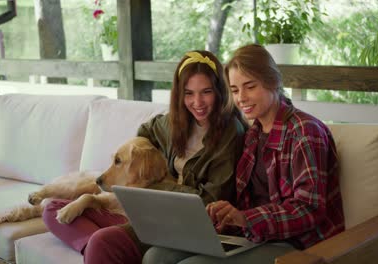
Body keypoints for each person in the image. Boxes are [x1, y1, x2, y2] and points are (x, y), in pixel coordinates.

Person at [42, 50, 247, 264]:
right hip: (147, 210)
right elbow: (144, 134)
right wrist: (145, 171)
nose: (198, 102)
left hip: (179, 222)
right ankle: (103, 250)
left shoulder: (230, 132)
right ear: (179, 94)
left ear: (220, 91)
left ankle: (107, 249)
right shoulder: (172, 123)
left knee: (103, 241)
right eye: (188, 93)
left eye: (206, 92)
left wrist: (156, 184)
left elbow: (209, 202)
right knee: (52, 208)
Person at [172, 44, 345, 264]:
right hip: (257, 236)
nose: (241, 98)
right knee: (157, 256)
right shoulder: (253, 134)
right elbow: (249, 200)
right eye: (234, 90)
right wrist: (228, 214)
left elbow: (308, 210)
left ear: (272, 81)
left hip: (300, 245)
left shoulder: (305, 131)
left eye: (250, 87)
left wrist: (246, 219)